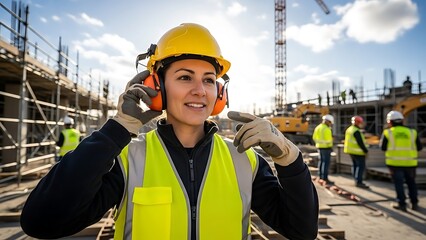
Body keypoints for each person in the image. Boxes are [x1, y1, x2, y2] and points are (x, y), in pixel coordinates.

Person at [20, 23, 318, 240]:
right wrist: (116, 131)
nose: (200, 91)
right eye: (185, 77)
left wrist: (291, 161)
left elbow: (302, 231)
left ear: (220, 92)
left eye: (209, 80)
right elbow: (42, 221)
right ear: (157, 88)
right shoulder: (128, 159)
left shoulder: (244, 161)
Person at [380, 110, 422, 212]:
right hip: (410, 163)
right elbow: (419, 147)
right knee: (411, 183)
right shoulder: (412, 132)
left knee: (399, 185)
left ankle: (402, 205)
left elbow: (383, 148)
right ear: (402, 120)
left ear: (390, 122)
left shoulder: (388, 132)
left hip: (395, 164)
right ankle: (414, 204)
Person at [344, 116, 369, 188]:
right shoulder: (356, 131)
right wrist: (365, 150)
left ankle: (356, 179)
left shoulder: (349, 129)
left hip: (351, 151)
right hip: (358, 152)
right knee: (360, 167)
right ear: (358, 122)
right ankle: (359, 182)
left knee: (355, 165)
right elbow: (360, 142)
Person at [313, 114, 334, 184]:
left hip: (319, 147)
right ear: (328, 121)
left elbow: (314, 138)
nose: (330, 124)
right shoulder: (327, 129)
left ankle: (321, 177)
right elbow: (329, 141)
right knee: (326, 163)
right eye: (330, 122)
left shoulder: (318, 127)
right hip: (326, 148)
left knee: (321, 162)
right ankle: (325, 178)